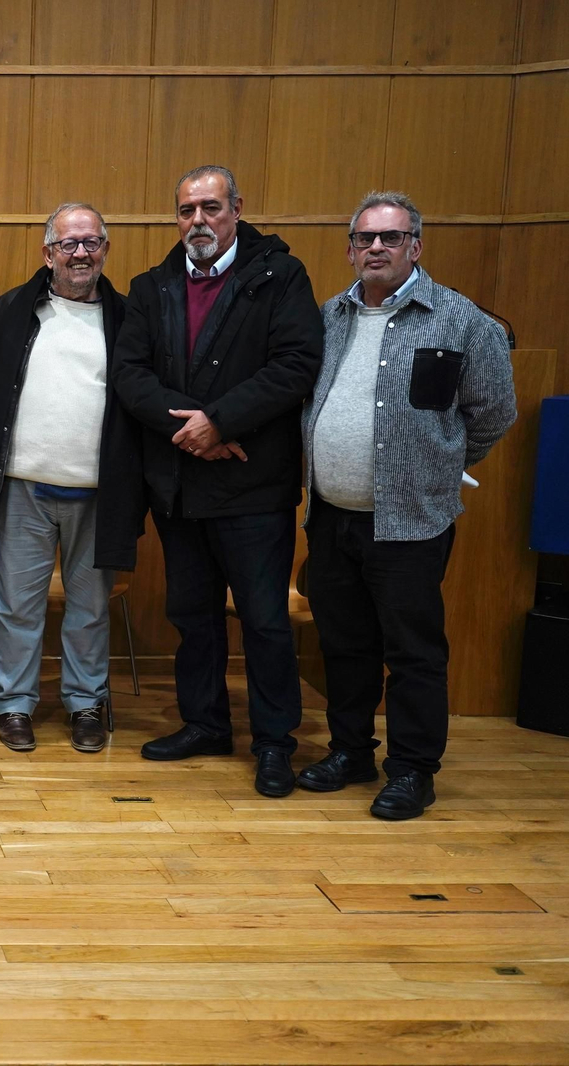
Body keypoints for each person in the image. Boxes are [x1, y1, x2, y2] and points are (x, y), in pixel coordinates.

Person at [298, 191, 516, 819]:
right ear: (350, 249)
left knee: (413, 652)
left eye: (390, 237)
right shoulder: (330, 316)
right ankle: (350, 752)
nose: (376, 248)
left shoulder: (460, 321)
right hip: (331, 515)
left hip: (411, 522)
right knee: (345, 645)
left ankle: (414, 770)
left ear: (415, 246)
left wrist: (438, 466)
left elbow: (494, 412)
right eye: (365, 238)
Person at [112, 164, 324, 798]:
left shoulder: (280, 275)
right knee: (192, 616)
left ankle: (274, 742)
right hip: (179, 485)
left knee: (263, 621)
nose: (198, 221)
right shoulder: (151, 286)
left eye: (210, 207)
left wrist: (221, 422)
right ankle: (205, 723)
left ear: (237, 208)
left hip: (252, 484)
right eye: (187, 210)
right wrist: (193, 428)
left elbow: (296, 365)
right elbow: (130, 374)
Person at [0, 203, 143, 754]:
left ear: (105, 250)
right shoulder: (11, 310)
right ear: (48, 253)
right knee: (15, 606)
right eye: (68, 244)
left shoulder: (128, 318)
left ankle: (85, 703)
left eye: (91, 242)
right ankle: (15, 705)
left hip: (100, 492)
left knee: (89, 609)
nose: (80, 253)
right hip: (22, 487)